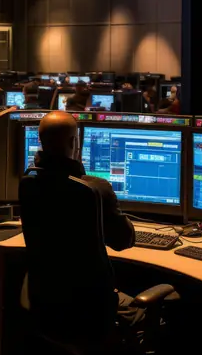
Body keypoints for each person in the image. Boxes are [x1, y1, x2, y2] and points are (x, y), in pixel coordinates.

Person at [23, 110, 143, 334]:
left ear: (40, 141)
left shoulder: (29, 183)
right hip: (92, 310)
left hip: (46, 304)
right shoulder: (94, 189)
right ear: (74, 142)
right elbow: (124, 241)